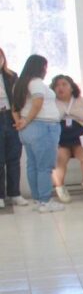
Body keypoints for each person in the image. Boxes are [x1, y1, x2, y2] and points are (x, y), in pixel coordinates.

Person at [12, 55, 63, 212]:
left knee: (33, 165)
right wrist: (26, 121)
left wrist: (20, 122)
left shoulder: (19, 84)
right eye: (45, 66)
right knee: (44, 166)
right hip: (43, 127)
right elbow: (37, 103)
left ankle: (38, 200)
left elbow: (15, 107)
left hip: (28, 130)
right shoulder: (36, 83)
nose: (46, 70)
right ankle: (45, 201)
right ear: (40, 67)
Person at [49, 75, 83, 202]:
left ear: (72, 87)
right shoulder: (51, 103)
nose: (60, 88)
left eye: (64, 84)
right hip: (60, 139)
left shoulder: (82, 101)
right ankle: (60, 187)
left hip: (79, 138)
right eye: (57, 85)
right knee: (59, 160)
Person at [0, 46, 28, 208]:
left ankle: (15, 193)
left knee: (13, 158)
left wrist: (20, 118)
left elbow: (19, 98)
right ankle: (0, 196)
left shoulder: (11, 76)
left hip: (11, 117)